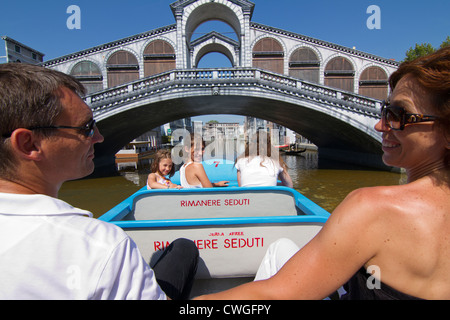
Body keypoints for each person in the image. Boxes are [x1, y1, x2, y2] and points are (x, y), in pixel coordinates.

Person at [196, 47, 450, 300]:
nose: (379, 125)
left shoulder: (371, 208)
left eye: (398, 115)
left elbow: (275, 295)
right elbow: (289, 185)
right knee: (282, 246)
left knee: (278, 252)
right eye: (385, 110)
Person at [0, 63, 198, 300]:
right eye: (86, 128)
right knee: (183, 248)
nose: (100, 137)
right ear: (29, 144)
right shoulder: (101, 244)